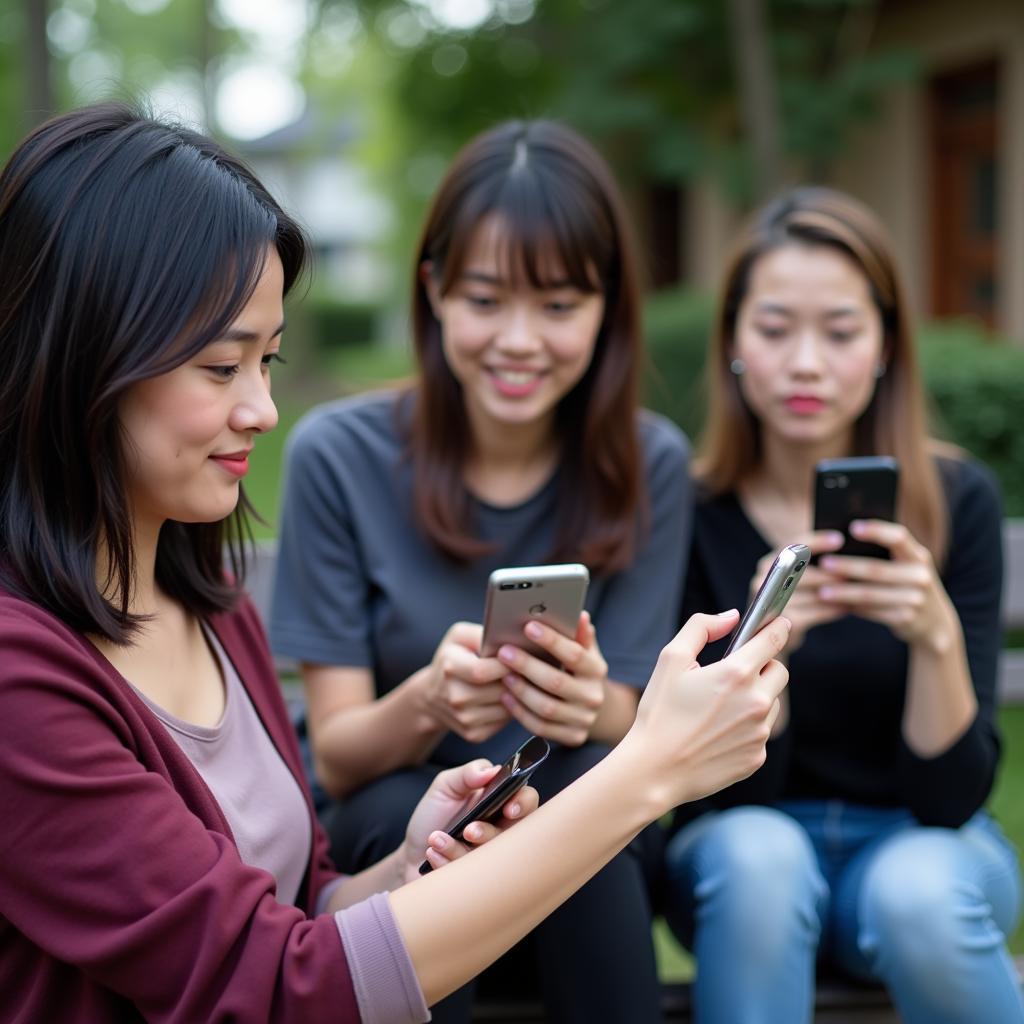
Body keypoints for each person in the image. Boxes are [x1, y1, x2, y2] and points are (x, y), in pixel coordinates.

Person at [0, 102, 791, 1024]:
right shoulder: (21, 679)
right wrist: (649, 766)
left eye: (270, 360)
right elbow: (277, 983)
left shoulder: (210, 606)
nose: (263, 409)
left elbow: (306, 904)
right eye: (222, 368)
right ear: (79, 362)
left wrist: (410, 863)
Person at [268, 119, 690, 1021]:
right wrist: (426, 703)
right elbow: (337, 759)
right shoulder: (337, 455)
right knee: (409, 815)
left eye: (560, 306)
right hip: (389, 825)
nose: (520, 341)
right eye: (487, 300)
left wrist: (591, 705)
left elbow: (630, 711)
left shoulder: (649, 462)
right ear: (435, 291)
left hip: (581, 841)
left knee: (585, 802)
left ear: (608, 306)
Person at [664, 187, 1024, 1024]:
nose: (807, 363)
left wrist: (934, 635)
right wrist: (763, 652)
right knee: (761, 859)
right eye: (775, 327)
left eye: (841, 331)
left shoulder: (953, 498)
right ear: (734, 345)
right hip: (744, 852)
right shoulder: (687, 511)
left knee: (920, 891)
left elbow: (950, 802)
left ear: (886, 346)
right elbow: (725, 802)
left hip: (916, 844)